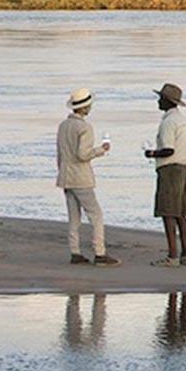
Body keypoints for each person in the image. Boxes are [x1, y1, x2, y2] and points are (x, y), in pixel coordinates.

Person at [56, 88, 120, 266]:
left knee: (73, 217)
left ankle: (75, 252)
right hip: (81, 178)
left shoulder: (63, 125)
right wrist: (101, 150)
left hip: (66, 176)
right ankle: (100, 253)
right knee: (96, 215)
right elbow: (82, 154)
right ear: (85, 107)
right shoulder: (84, 127)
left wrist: (61, 172)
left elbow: (60, 154)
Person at [143, 82, 186, 266]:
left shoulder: (168, 123)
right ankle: (185, 254)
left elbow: (168, 150)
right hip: (182, 168)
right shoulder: (183, 120)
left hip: (169, 169)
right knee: (181, 213)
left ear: (166, 101)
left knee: (168, 213)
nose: (158, 102)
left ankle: (172, 256)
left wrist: (151, 153)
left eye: (160, 98)